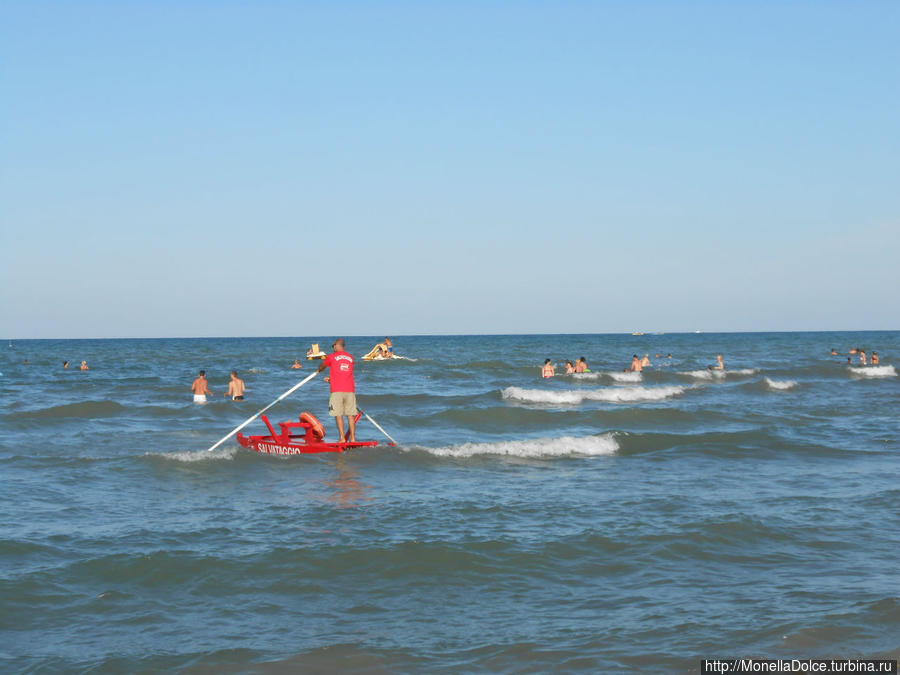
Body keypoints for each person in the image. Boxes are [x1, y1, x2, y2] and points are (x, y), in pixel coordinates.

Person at [318, 339, 358, 442]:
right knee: (350, 415)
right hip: (350, 390)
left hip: (337, 390)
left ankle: (342, 438)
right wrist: (331, 380)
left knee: (338, 414)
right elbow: (343, 373)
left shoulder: (331, 356)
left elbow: (323, 366)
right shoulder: (351, 357)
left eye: (333, 346)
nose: (333, 348)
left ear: (336, 346)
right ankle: (353, 439)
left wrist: (319, 370)